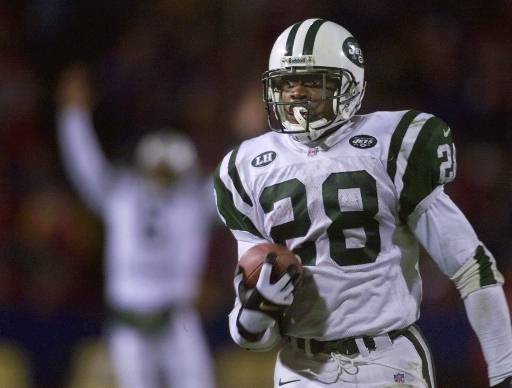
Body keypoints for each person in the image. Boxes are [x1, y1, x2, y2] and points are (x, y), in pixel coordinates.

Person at [213, 19, 512, 387]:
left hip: (387, 360)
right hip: (300, 367)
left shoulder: (392, 145)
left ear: (350, 84)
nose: (297, 94)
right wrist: (258, 307)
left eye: (313, 81)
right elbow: (250, 336)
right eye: (287, 82)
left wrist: (504, 370)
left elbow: (470, 266)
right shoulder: (246, 168)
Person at [56, 66, 216, 388]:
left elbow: (241, 181)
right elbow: (85, 168)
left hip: (175, 321)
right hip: (132, 321)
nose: (163, 177)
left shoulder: (140, 196)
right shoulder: (133, 196)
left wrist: (73, 117)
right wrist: (72, 116)